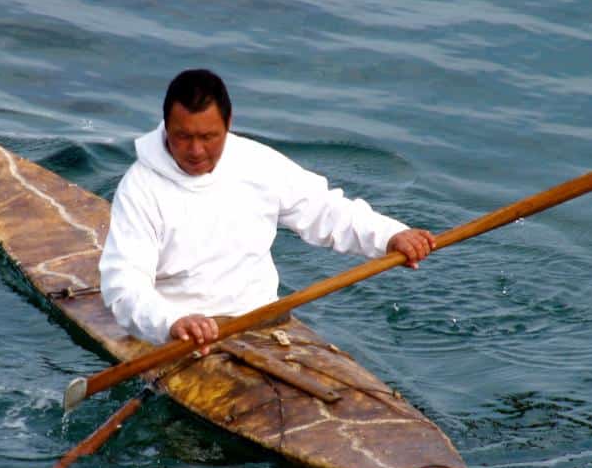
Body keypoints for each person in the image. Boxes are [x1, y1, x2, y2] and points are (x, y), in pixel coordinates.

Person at [99, 69, 434, 353]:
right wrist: (172, 323)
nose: (195, 150)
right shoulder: (140, 189)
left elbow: (326, 210)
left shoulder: (257, 162)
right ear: (166, 125)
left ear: (228, 123)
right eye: (182, 136)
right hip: (182, 338)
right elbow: (125, 286)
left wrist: (391, 235)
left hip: (265, 323)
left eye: (208, 137)